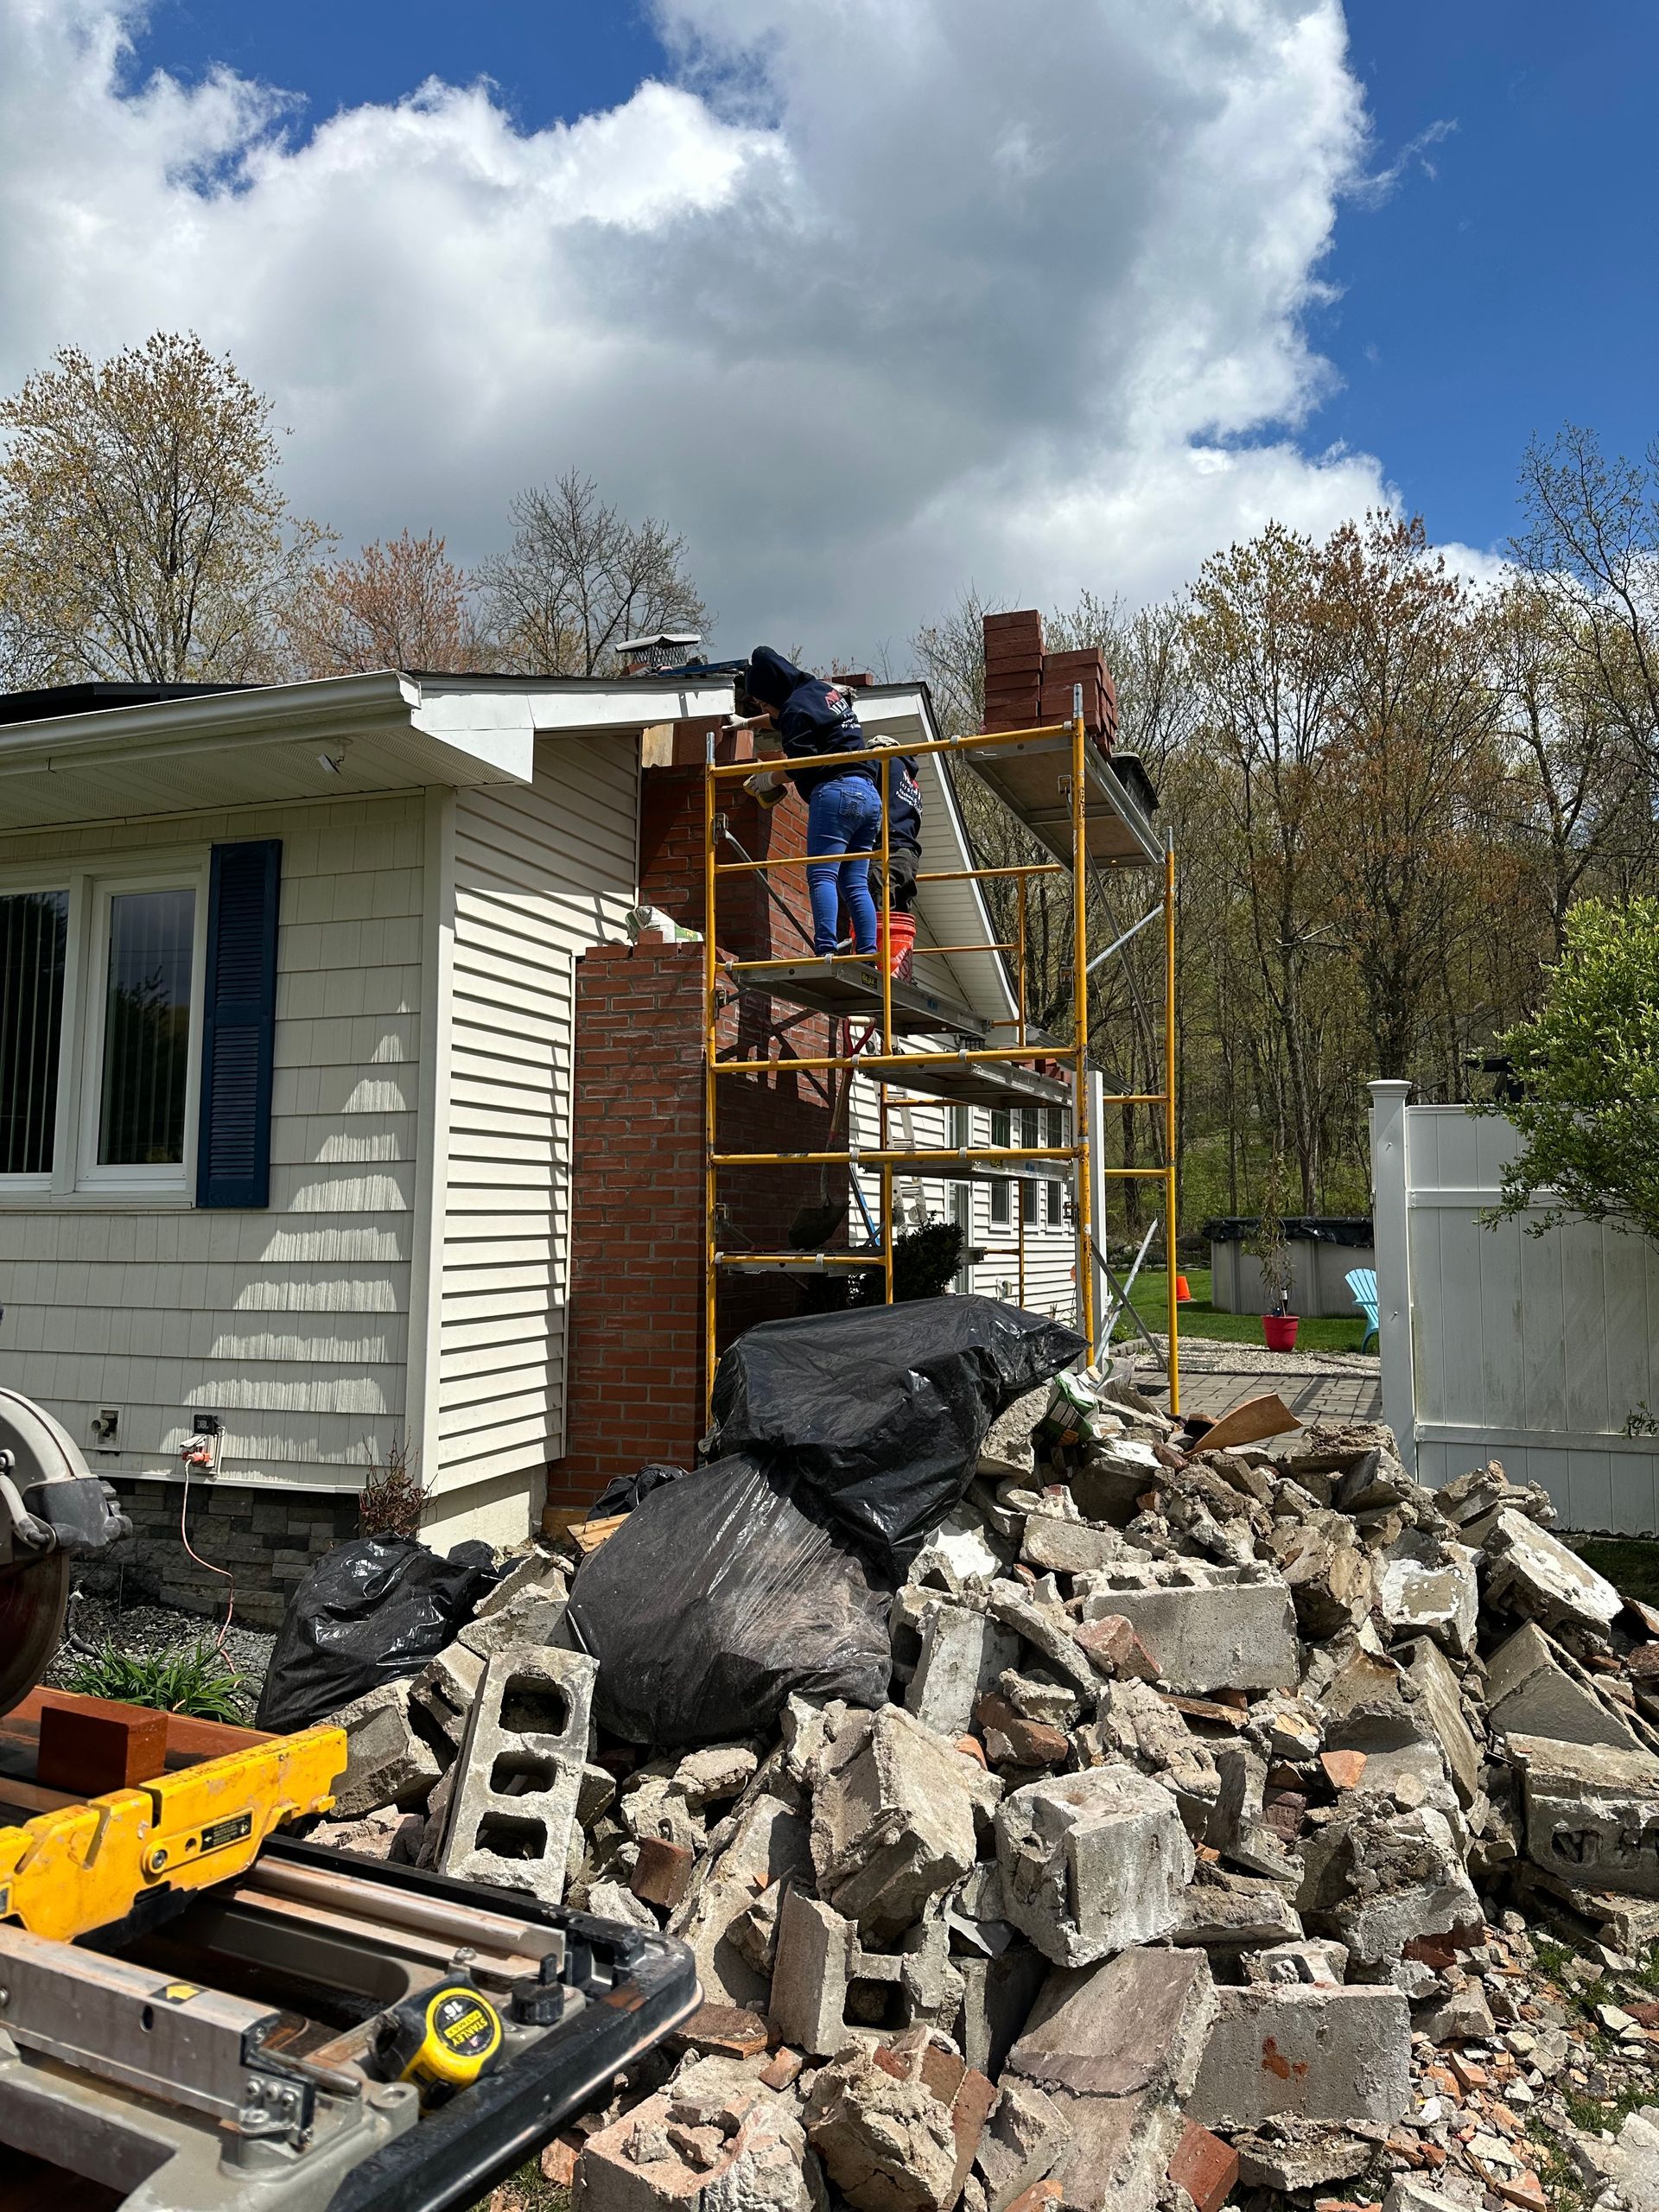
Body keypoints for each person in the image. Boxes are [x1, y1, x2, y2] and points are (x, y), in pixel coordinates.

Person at [734, 647, 881, 957]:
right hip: (868, 794)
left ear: (773, 692)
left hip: (835, 793)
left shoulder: (795, 709)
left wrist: (768, 778)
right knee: (855, 882)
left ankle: (825, 949)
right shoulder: (821, 690)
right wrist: (746, 724)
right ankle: (869, 955)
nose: (764, 708)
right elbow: (783, 718)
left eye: (763, 702)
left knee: (822, 874)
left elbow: (804, 763)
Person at [870, 738, 921, 976]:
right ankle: (899, 971)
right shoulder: (911, 781)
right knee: (900, 913)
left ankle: (875, 964)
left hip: (889, 851)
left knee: (879, 905)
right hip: (908, 855)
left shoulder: (886, 761)